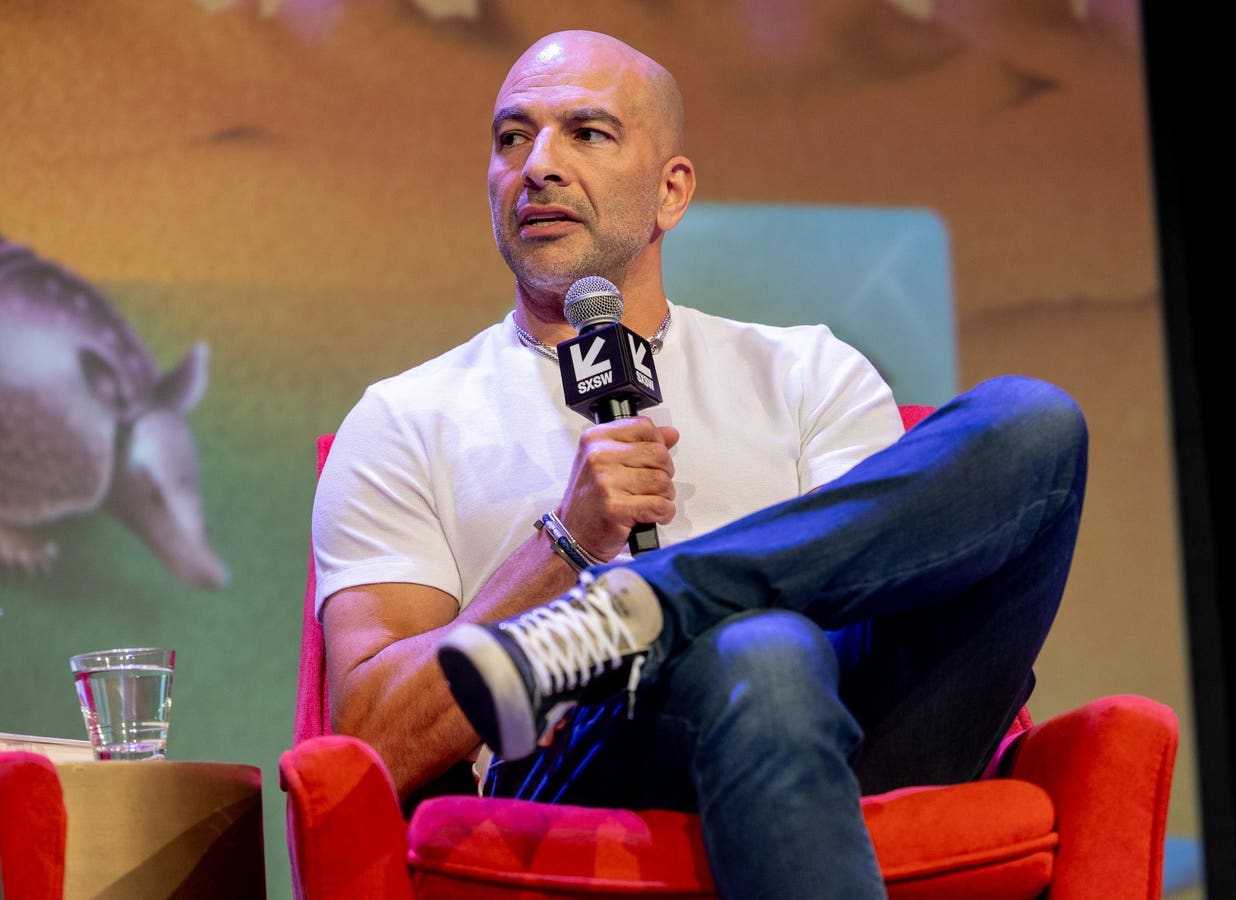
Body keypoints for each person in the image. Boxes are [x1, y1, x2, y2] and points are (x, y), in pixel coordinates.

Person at [313, 29, 1087, 900]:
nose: (538, 166)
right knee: (762, 645)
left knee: (1034, 422)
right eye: (511, 137)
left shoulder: (808, 372)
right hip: (595, 770)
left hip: (857, 737)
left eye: (587, 133)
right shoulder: (407, 418)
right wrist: (565, 546)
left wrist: (650, 605)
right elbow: (372, 742)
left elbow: (892, 607)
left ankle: (654, 601)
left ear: (671, 191)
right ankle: (657, 610)